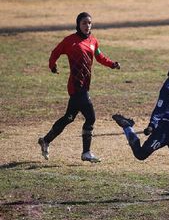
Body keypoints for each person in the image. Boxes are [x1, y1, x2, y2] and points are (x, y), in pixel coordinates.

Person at [112, 45, 169, 199]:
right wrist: (151, 126)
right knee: (140, 155)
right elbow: (159, 109)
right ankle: (128, 127)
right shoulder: (168, 89)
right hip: (164, 130)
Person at [38, 12, 120, 163]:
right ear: (78, 24)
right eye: (84, 23)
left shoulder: (93, 41)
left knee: (68, 118)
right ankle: (86, 152)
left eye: (89, 23)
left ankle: (45, 140)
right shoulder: (70, 41)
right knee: (91, 117)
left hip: (85, 85)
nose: (87, 25)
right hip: (76, 86)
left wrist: (112, 64)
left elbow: (100, 57)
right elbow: (55, 52)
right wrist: (52, 65)